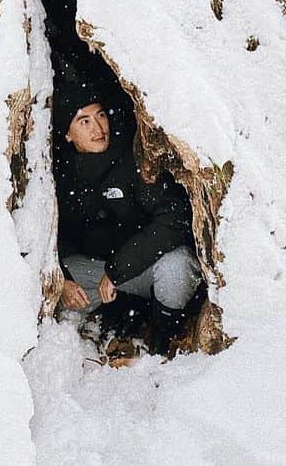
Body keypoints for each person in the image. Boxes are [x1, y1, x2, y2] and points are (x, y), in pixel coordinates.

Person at [54, 79, 202, 356]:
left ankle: (162, 336)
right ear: (68, 135)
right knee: (60, 282)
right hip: (103, 271)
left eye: (100, 115)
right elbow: (54, 236)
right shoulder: (62, 176)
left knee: (177, 267)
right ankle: (110, 319)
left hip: (142, 268)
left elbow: (174, 219)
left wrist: (118, 270)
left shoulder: (131, 158)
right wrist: (62, 279)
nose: (98, 128)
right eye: (83, 121)